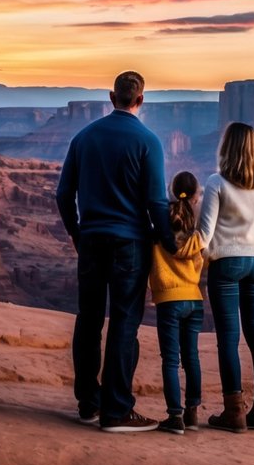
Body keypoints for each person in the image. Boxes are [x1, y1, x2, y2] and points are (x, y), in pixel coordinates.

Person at [56, 69, 177, 433]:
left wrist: (76, 234)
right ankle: (117, 410)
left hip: (91, 240)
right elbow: (157, 202)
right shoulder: (148, 141)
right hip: (130, 245)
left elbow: (64, 195)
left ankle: (88, 404)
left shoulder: (84, 137)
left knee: (89, 319)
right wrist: (170, 242)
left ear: (112, 97)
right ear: (140, 100)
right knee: (125, 322)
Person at [199, 122, 254, 433]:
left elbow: (204, 235)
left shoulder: (217, 183)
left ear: (227, 147)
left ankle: (235, 414)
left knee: (228, 339)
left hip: (226, 262)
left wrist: (209, 259)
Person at [149, 170, 205, 435]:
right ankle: (193, 412)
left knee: (171, 360)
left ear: (172, 191)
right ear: (195, 197)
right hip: (194, 300)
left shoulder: (159, 229)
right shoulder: (197, 232)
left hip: (169, 300)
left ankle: (175, 417)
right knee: (191, 357)